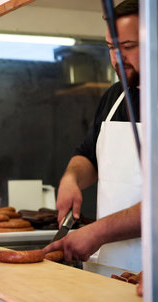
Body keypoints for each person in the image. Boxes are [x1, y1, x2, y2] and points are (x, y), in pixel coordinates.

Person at [44, 0, 141, 272]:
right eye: (111, 47)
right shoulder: (114, 96)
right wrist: (71, 178)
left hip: (151, 273)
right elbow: (88, 157)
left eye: (128, 47)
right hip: (109, 266)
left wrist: (97, 232)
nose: (116, 58)